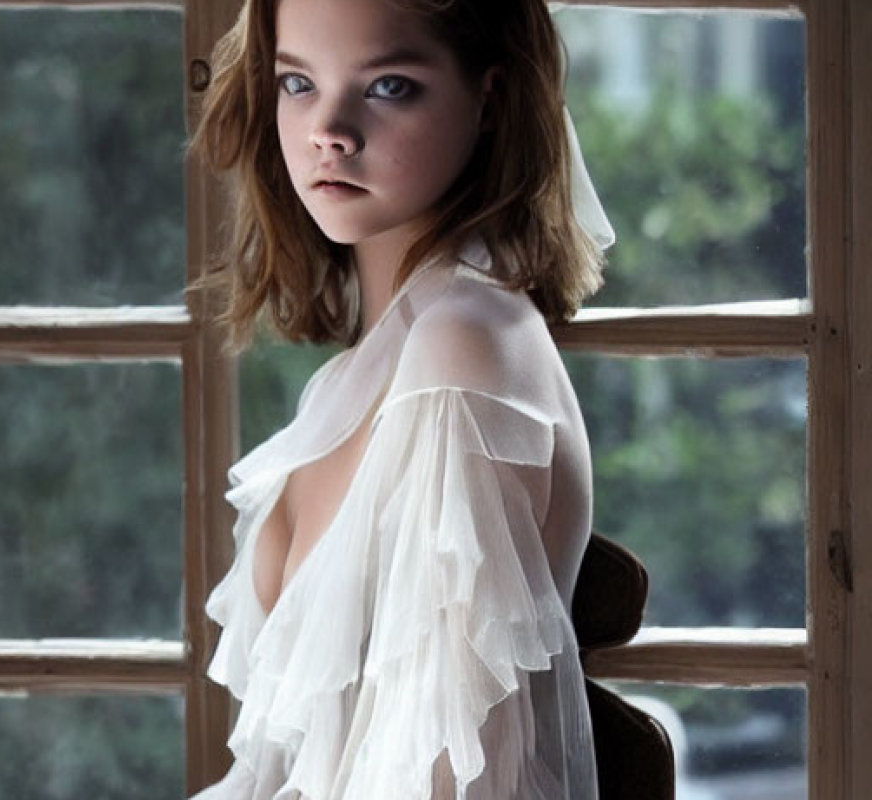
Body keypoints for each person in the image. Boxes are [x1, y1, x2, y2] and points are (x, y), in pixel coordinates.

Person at [185, 0, 614, 794]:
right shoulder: (370, 366)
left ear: (489, 100)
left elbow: (460, 776)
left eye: (388, 86)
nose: (330, 131)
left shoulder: (464, 347)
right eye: (297, 83)